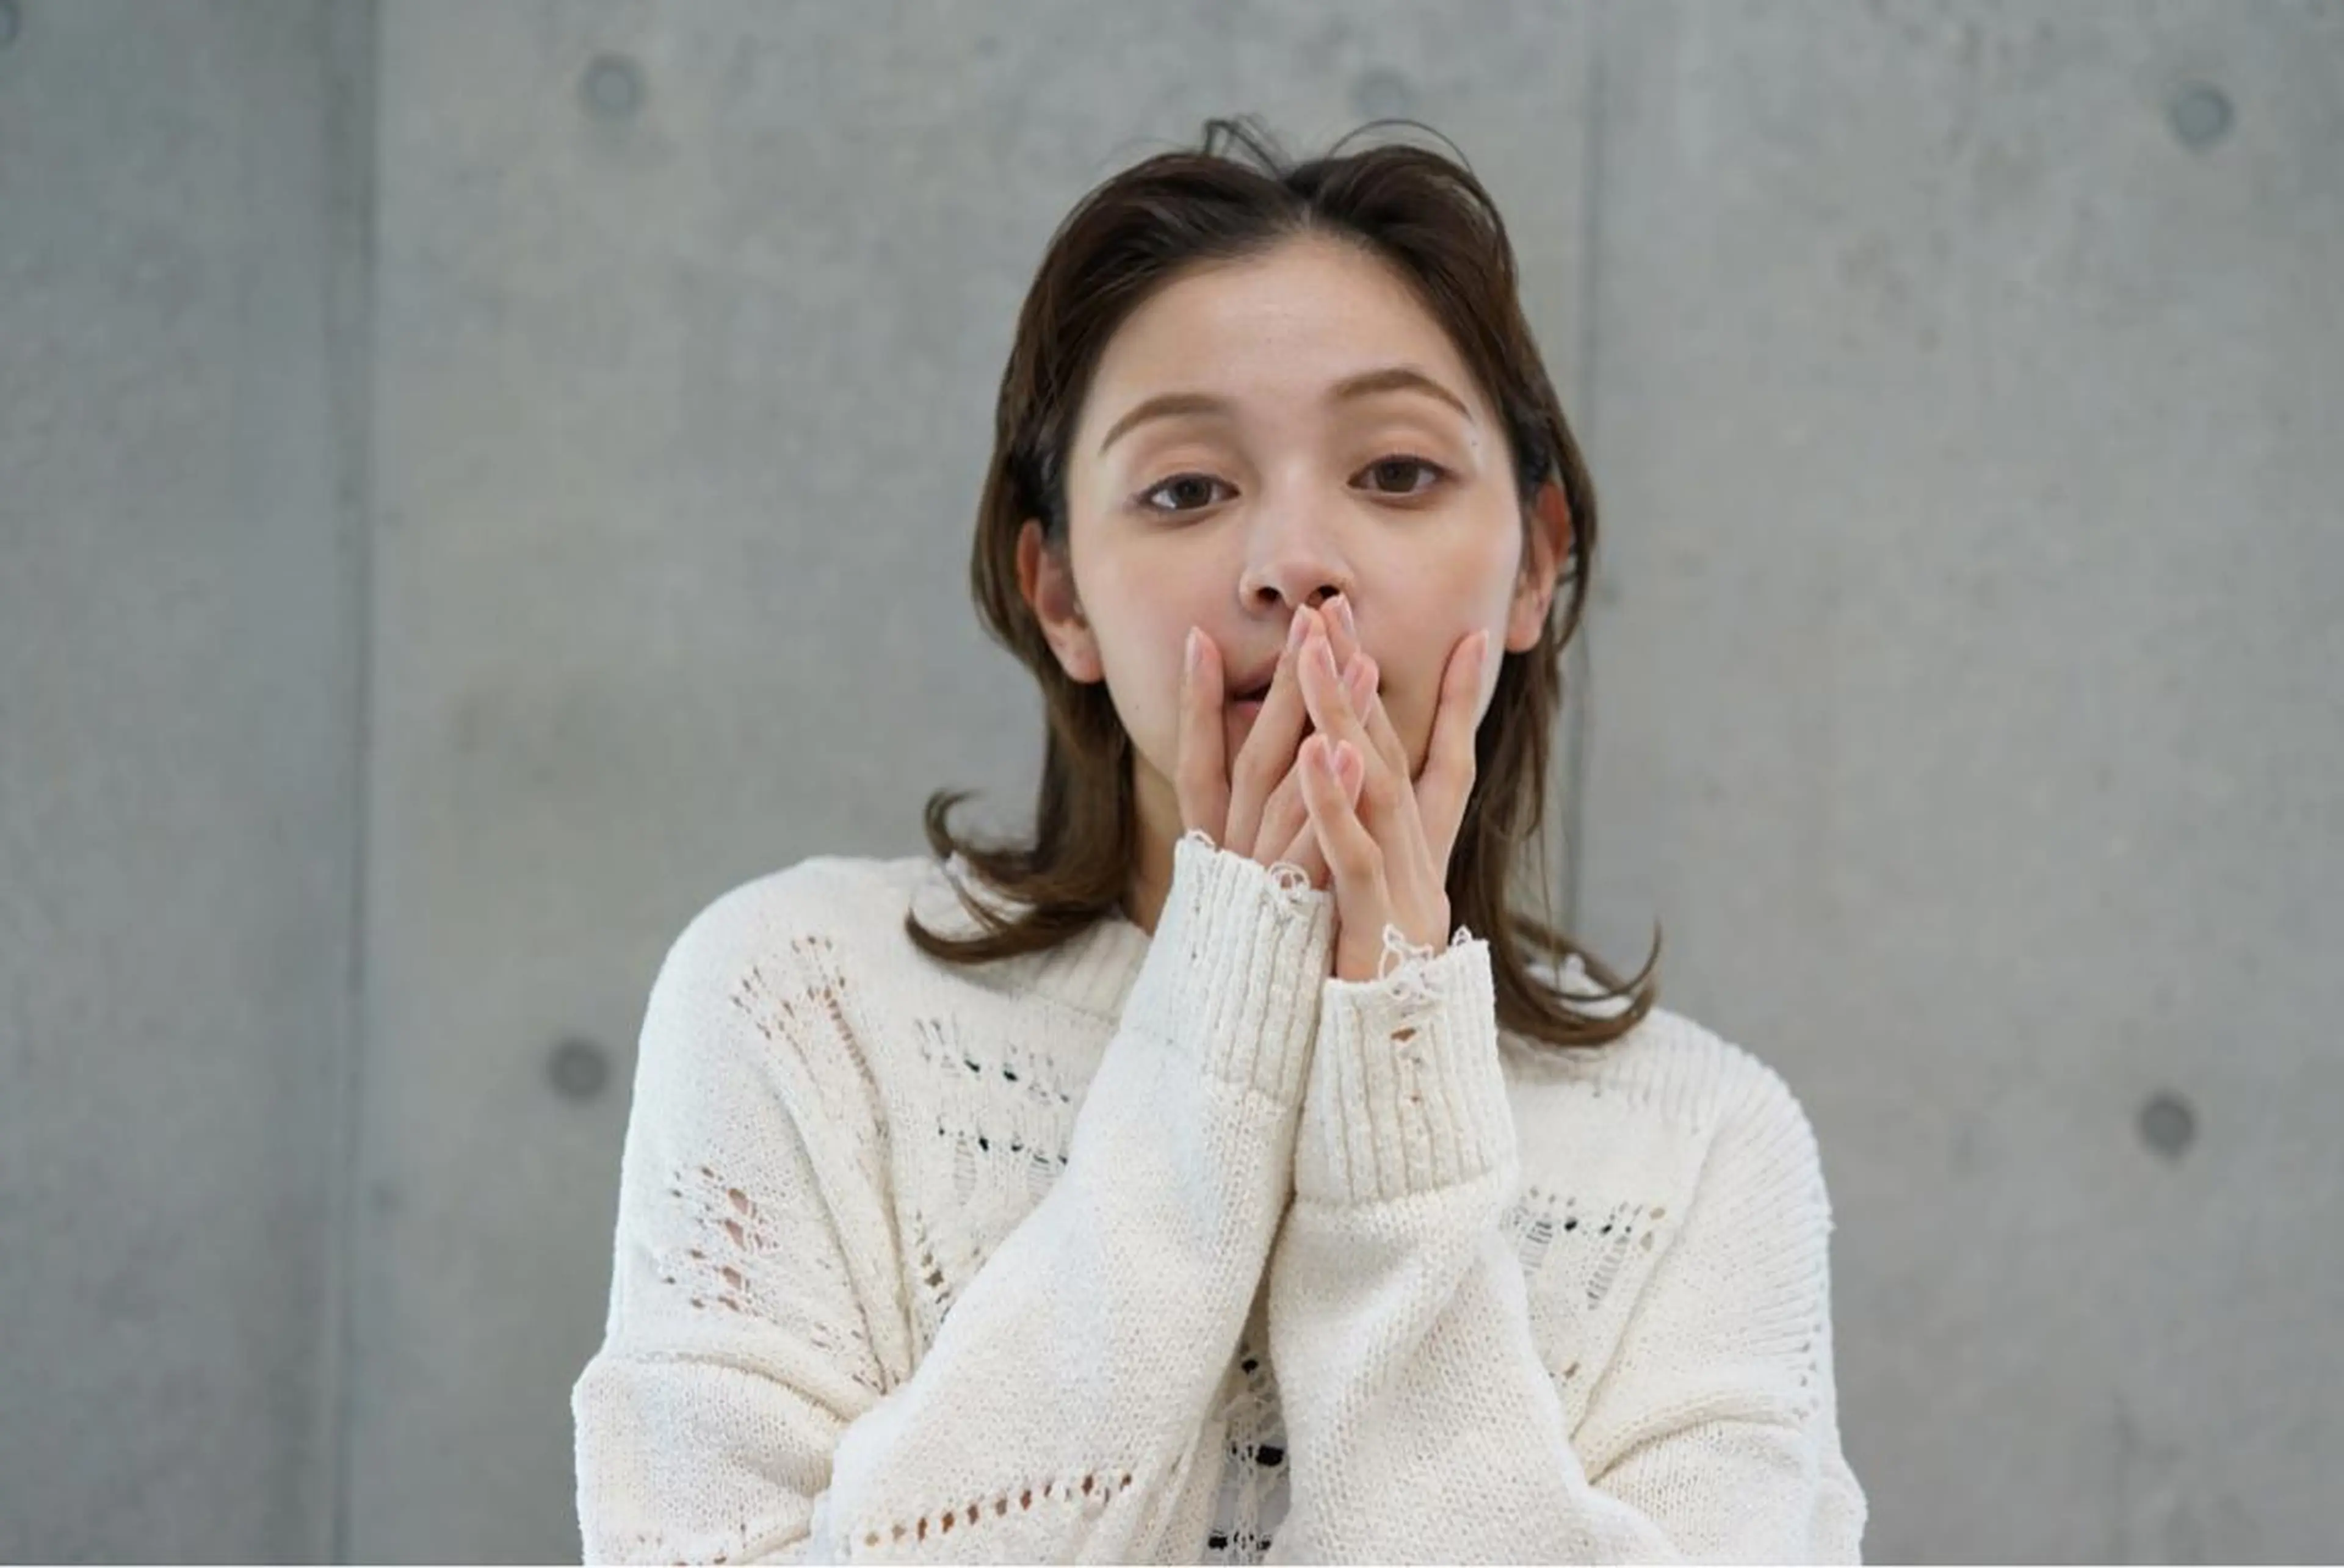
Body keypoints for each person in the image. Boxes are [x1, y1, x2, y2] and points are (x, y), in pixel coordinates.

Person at [571, 116, 1867, 1564]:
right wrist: (1215, 1034)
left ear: (1536, 564)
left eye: (1396, 473)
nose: (1294, 563)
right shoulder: (801, 1001)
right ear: (1060, 592)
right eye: (1188, 489)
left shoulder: (1705, 1150)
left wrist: (1398, 1065)